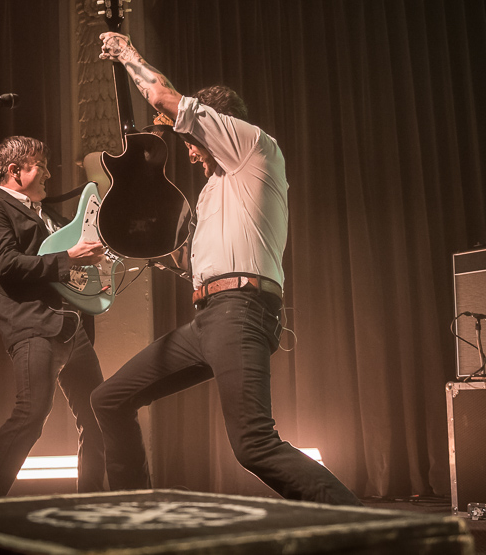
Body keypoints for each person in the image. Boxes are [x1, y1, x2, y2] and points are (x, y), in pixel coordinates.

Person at [90, 33, 363, 506]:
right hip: (210, 318)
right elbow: (193, 258)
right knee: (108, 400)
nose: (188, 152)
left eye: (189, 141)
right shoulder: (216, 187)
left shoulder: (252, 148)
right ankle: (138, 522)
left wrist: (127, 55)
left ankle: (373, 531)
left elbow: (163, 96)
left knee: (254, 444)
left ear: (215, 126)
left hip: (240, 312)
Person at [0, 136, 108, 497]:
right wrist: (69, 260)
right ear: (15, 171)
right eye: (40, 165)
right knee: (30, 416)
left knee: (99, 420)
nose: (49, 172)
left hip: (72, 329)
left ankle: (89, 512)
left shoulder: (49, 213)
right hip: (33, 327)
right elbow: (3, 264)